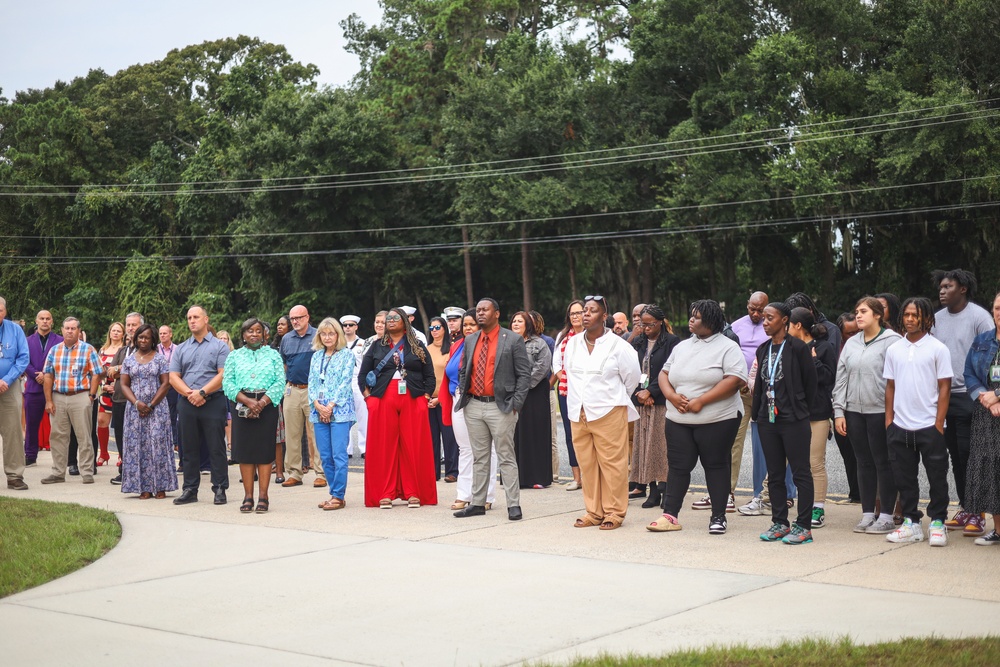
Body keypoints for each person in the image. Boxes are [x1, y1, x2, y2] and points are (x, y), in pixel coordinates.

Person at [648, 300, 746, 535]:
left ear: (712, 321)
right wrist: (671, 396)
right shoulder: (682, 346)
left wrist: (701, 400)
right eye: (691, 315)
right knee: (678, 467)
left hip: (718, 419)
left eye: (698, 317)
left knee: (715, 465)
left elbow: (735, 380)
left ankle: (718, 517)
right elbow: (664, 373)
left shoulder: (728, 347)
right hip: (679, 419)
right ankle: (670, 515)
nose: (692, 320)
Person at [555, 296, 641, 530]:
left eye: (592, 311)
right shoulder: (572, 343)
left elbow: (631, 378)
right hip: (578, 412)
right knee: (588, 464)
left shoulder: (619, 346)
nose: (585, 315)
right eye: (584, 311)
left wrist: (610, 397)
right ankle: (594, 511)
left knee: (613, 464)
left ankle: (614, 512)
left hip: (608, 410)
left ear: (604, 317)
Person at [453, 298, 532, 521]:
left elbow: (524, 374)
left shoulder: (513, 339)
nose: (480, 313)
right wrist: (463, 389)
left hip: (501, 407)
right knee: (480, 457)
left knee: (506, 456)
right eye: (478, 310)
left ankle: (513, 505)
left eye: (485, 310)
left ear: (496, 313)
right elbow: (464, 369)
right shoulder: (470, 340)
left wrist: (516, 403)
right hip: (474, 405)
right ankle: (477, 503)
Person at [883, 297, 952, 546]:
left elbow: (945, 387)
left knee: (937, 477)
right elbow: (890, 386)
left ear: (927, 318)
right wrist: (889, 420)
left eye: (916, 315)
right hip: (899, 426)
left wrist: (938, 423)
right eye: (907, 315)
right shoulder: (894, 349)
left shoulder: (938, 349)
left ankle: (938, 522)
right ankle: (912, 523)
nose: (910, 319)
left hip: (929, 426)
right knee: (904, 478)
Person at [930, 269, 995, 534]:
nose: (942, 291)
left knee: (972, 455)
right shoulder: (936, 319)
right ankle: (967, 507)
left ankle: (978, 513)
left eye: (948, 286)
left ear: (963, 289)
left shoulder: (980, 317)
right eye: (941, 287)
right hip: (944, 396)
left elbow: (993, 356)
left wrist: (988, 395)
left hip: (973, 396)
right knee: (955, 456)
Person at [833, 297, 902, 534]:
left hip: (881, 412)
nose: (858, 315)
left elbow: (899, 380)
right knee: (863, 462)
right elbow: (841, 378)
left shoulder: (892, 341)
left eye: (863, 311)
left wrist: (894, 413)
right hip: (854, 411)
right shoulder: (851, 343)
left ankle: (886, 516)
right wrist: (839, 411)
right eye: (856, 311)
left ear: (878, 315)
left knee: (883, 462)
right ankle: (866, 514)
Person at [359, 307, 437, 508]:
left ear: (405, 321)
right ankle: (385, 493)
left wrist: (425, 397)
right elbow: (362, 375)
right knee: (384, 447)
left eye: (395, 318)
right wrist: (370, 400)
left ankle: (413, 493)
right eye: (388, 319)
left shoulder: (417, 345)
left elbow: (430, 374)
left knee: (413, 446)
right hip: (383, 398)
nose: (391, 321)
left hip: (412, 397)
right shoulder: (377, 346)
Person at [754, 302, 818, 545]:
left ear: (784, 320)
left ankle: (804, 526)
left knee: (801, 472)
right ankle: (780, 522)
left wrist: (801, 409)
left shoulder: (799, 348)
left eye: (770, 318)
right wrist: (759, 413)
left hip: (794, 419)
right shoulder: (763, 349)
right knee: (775, 474)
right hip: (768, 420)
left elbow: (810, 383)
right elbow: (761, 384)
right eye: (764, 318)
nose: (765, 321)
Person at [712, 290, 768, 515]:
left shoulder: (772, 322)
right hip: (741, 390)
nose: (755, 314)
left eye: (760, 310)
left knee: (769, 443)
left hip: (765, 391)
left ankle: (769, 494)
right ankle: (728, 491)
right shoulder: (736, 325)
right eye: (752, 309)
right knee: (734, 441)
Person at [169, 306, 231, 505]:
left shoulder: (220, 346)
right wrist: (190, 394)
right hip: (188, 401)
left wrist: (202, 392)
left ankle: (220, 488)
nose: (192, 321)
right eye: (189, 317)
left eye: (196, 317)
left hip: (213, 401)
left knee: (216, 447)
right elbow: (173, 376)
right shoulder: (182, 348)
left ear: (206, 319)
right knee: (188, 447)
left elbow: (223, 374)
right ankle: (190, 489)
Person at [222, 318, 284, 513]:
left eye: (258, 331)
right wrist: (248, 402)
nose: (254, 334)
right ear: (243, 335)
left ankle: (263, 497)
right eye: (250, 331)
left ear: (264, 335)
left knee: (265, 453)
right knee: (246, 453)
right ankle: (248, 496)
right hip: (242, 404)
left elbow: (280, 382)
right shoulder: (234, 356)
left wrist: (262, 402)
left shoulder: (273, 355)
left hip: (267, 405)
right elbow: (228, 383)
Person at [443, 310, 499, 510]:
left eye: (472, 324)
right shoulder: (458, 345)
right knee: (465, 449)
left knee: (486, 450)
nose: (467, 328)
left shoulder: (489, 345)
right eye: (465, 324)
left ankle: (486, 496)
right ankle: (464, 494)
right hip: (458, 398)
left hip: (480, 399)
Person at [788, 307, 837, 528]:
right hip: (795, 413)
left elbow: (829, 378)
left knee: (815, 462)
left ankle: (818, 508)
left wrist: (814, 360)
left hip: (817, 412)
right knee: (797, 463)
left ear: (798, 326)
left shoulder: (823, 347)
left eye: (789, 324)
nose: (786, 328)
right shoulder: (790, 347)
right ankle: (803, 507)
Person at [41, 317, 104, 485]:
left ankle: (87, 472)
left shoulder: (88, 349)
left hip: (80, 395)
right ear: (61, 330)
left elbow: (98, 372)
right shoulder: (54, 350)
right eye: (67, 328)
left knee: (84, 436)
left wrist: (91, 396)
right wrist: (48, 400)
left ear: (78, 331)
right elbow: (47, 375)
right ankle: (58, 472)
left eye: (73, 328)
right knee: (58, 437)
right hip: (58, 397)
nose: (70, 331)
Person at [628, 304, 680, 510]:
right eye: (643, 324)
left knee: (660, 447)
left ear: (660, 322)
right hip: (641, 403)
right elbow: (630, 370)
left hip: (660, 403)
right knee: (644, 447)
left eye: (650, 324)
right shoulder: (638, 342)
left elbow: (671, 371)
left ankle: (665, 489)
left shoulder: (672, 342)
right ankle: (651, 491)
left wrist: (651, 391)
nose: (646, 328)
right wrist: (640, 394)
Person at [119, 323, 177, 499]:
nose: (143, 340)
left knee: (158, 445)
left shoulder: (159, 359)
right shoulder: (128, 360)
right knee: (138, 447)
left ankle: (161, 487)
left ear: (153, 340)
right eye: (140, 337)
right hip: (134, 411)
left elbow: (166, 383)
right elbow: (123, 384)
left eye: (147, 337)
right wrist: (137, 403)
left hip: (157, 409)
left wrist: (150, 405)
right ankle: (142, 487)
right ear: (135, 339)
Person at [308, 318, 356, 511]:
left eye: (331, 333)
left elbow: (345, 384)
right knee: (325, 456)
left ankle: (338, 495)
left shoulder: (347, 355)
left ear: (338, 335)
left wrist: (331, 406)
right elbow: (312, 382)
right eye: (324, 334)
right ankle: (334, 492)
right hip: (319, 410)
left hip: (340, 410)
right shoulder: (316, 356)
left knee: (339, 455)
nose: (327, 337)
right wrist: (318, 405)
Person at [964, 290, 1000, 545]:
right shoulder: (982, 340)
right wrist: (984, 397)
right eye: (997, 308)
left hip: (995, 403)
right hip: (985, 416)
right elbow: (968, 373)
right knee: (990, 472)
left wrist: (997, 395)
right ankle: (998, 530)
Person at [280, 304, 323, 488]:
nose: (295, 321)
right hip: (292, 389)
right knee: (292, 433)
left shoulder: (318, 335)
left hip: (313, 390)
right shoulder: (286, 339)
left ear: (307, 317)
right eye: (292, 319)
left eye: (299, 317)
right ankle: (294, 473)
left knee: (317, 433)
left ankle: (321, 473)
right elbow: (283, 365)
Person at [510, 310, 553, 488]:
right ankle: (515, 478)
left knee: (536, 434)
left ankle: (538, 478)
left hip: (534, 394)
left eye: (520, 321)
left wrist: (523, 384)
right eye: (513, 321)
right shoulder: (506, 342)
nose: (516, 324)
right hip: (513, 393)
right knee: (514, 435)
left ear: (528, 324)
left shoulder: (540, 343)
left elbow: (542, 367)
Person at [105, 312, 144, 485]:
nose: (130, 328)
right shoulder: (122, 350)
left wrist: (121, 369)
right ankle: (124, 470)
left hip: (139, 400)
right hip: (120, 398)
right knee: (121, 436)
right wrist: (120, 369)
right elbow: (110, 372)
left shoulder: (146, 348)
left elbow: (140, 368)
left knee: (138, 437)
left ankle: (140, 472)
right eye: (128, 325)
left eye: (134, 325)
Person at [553, 300, 585, 490]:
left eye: (579, 312)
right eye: (572, 313)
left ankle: (591, 476)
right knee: (570, 433)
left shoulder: (594, 336)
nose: (575, 316)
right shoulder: (563, 336)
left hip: (587, 392)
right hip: (566, 391)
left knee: (588, 433)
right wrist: (565, 379)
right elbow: (557, 363)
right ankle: (577, 478)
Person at [829, 312, 861, 505]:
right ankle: (855, 493)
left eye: (857, 331)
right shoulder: (833, 350)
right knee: (847, 453)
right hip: (838, 407)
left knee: (862, 454)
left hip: (859, 406)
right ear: (840, 333)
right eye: (849, 333)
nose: (854, 336)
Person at [23, 310, 61, 468]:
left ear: (52, 321)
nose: (45, 321)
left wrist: (45, 375)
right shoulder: (27, 341)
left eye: (48, 319)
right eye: (42, 318)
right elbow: (23, 359)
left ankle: (60, 459)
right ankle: (30, 456)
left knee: (59, 426)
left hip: (55, 388)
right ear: (36, 321)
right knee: (31, 424)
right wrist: (34, 374)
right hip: (33, 387)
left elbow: (62, 361)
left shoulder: (60, 340)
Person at [0, 297, 30, 490]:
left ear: (5, 311)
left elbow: (23, 357)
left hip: (8, 387)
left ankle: (14, 475)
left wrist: (6, 380)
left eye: (0, 311)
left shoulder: (15, 330)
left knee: (13, 432)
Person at [426, 315, 459, 482]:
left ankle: (452, 471)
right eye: (431, 328)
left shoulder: (452, 348)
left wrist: (439, 398)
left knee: (449, 436)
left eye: (437, 328)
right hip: (428, 399)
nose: (434, 331)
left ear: (445, 329)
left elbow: (452, 376)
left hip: (445, 398)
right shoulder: (426, 349)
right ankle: (432, 472)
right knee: (431, 438)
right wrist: (426, 396)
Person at [95, 322, 124, 467]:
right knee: (101, 421)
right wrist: (103, 386)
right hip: (105, 391)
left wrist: (116, 386)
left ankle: (121, 455)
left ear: (123, 334)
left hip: (120, 390)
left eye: (119, 331)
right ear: (110, 332)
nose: (116, 333)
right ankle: (104, 453)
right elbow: (98, 372)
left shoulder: (125, 350)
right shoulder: (103, 350)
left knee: (120, 425)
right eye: (114, 330)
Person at [341, 314, 369, 459]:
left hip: (358, 381)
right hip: (344, 382)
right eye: (345, 325)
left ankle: (364, 447)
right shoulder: (338, 344)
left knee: (363, 415)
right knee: (345, 415)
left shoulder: (363, 343)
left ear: (356, 327)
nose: (348, 327)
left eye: (351, 325)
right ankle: (347, 448)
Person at [157, 325, 180, 463]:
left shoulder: (177, 350)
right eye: (160, 333)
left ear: (171, 334)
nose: (163, 335)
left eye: (165, 333)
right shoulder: (155, 350)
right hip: (159, 387)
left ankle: (175, 442)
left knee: (173, 416)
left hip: (173, 387)